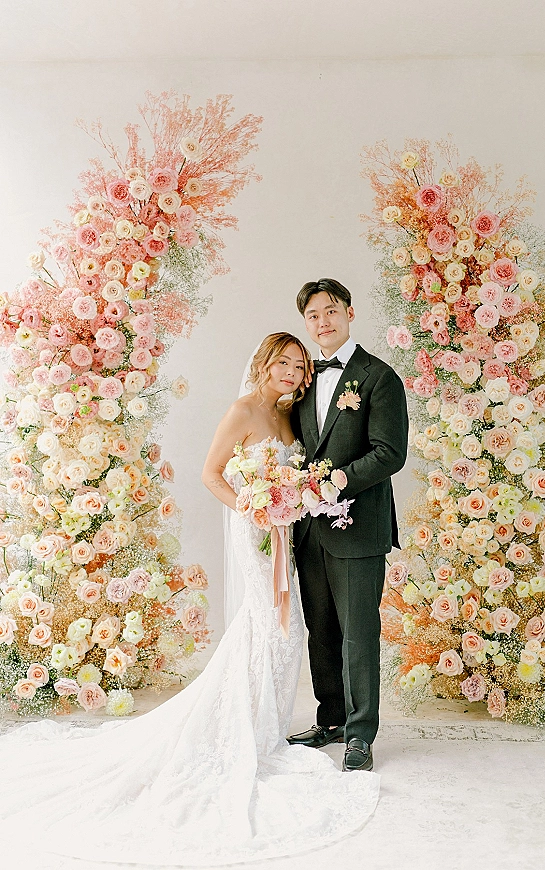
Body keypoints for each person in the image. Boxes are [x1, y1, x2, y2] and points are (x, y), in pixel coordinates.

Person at [0, 332, 379, 868]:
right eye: (284, 363)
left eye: (300, 366)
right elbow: (212, 475)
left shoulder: (290, 419)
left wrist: (283, 505)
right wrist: (254, 509)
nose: (293, 372)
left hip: (286, 536)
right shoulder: (243, 410)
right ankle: (242, 729)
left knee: (289, 627)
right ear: (265, 363)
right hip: (258, 536)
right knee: (270, 625)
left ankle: (266, 726)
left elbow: (292, 474)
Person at [288, 279, 408, 773]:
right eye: (313, 315)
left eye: (331, 311)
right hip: (309, 531)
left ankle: (361, 735)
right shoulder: (301, 378)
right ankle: (331, 719)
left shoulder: (378, 377)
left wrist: (337, 481)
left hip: (357, 527)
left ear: (350, 312)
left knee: (359, 634)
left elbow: (390, 453)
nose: (323, 322)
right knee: (322, 631)